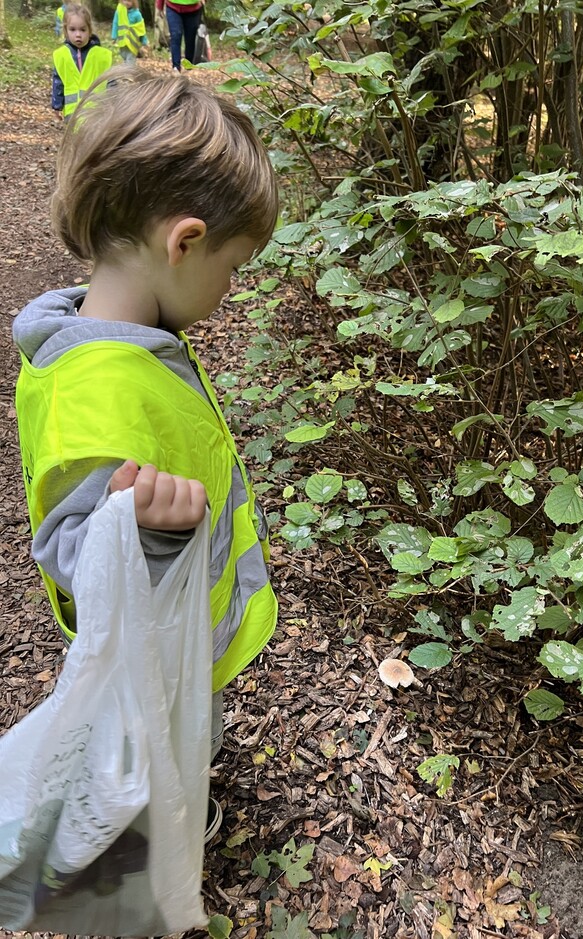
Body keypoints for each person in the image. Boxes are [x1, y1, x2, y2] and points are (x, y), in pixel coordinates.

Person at [14, 67, 279, 842]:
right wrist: (151, 534)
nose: (230, 288)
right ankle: (158, 837)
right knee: (160, 751)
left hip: (173, 641)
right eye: (232, 268)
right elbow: (73, 552)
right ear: (184, 240)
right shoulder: (100, 385)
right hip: (152, 661)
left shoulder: (124, 342)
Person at [51, 4, 112, 120]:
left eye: (82, 30)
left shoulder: (102, 55)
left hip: (96, 113)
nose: (78, 34)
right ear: (66, 30)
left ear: (90, 31)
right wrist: (57, 106)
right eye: (72, 30)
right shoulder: (61, 55)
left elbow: (111, 80)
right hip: (72, 113)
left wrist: (113, 103)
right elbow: (58, 82)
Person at [155, 0, 203, 72]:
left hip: (193, 9)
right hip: (173, 7)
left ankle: (188, 67)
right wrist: (160, 5)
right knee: (175, 36)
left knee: (190, 39)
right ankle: (176, 67)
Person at [112, 0, 148, 65]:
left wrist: (144, 41)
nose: (126, 3)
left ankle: (129, 73)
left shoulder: (137, 14)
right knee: (124, 56)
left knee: (130, 59)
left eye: (129, 1)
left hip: (132, 42)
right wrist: (114, 37)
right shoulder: (119, 11)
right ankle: (127, 70)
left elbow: (141, 28)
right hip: (122, 41)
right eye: (124, 0)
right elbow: (115, 23)